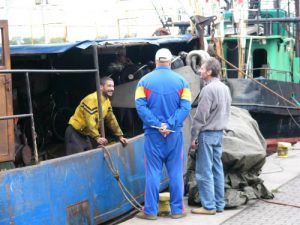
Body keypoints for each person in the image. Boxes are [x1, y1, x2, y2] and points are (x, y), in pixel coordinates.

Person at [135, 48, 192, 220]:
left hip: (153, 135)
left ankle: (150, 211)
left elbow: (140, 106)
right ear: (170, 62)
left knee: (153, 172)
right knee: (175, 172)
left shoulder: (143, 82)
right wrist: (170, 124)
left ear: (155, 61)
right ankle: (177, 210)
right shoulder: (182, 82)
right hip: (174, 135)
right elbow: (186, 107)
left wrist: (158, 124)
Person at [190, 57, 231, 215]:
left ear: (209, 71)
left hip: (207, 135)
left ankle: (209, 206)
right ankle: (219, 205)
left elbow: (200, 117)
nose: (200, 70)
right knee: (217, 170)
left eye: (202, 68)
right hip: (219, 133)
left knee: (203, 171)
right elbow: (227, 111)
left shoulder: (208, 90)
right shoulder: (224, 88)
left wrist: (194, 136)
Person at [65, 76, 128, 155]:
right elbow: (90, 120)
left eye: (113, 86)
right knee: (76, 160)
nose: (112, 88)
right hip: (75, 133)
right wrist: (97, 137)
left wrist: (120, 136)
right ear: (101, 87)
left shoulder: (106, 101)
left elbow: (111, 119)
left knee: (89, 158)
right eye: (109, 86)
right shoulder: (92, 99)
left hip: (85, 134)